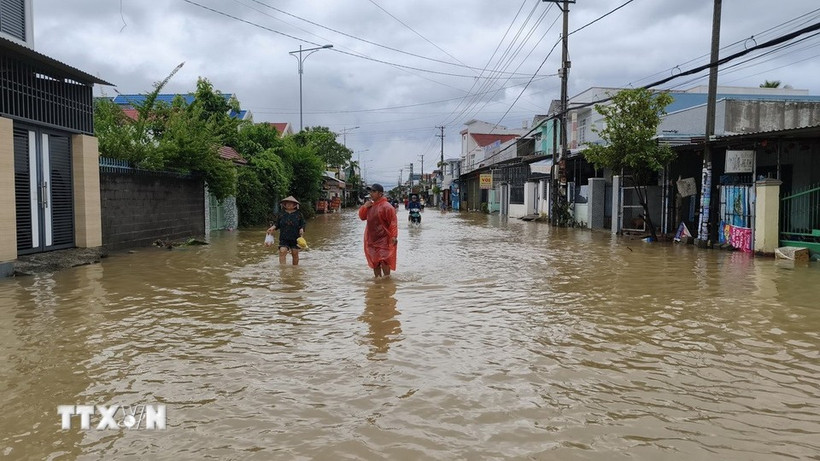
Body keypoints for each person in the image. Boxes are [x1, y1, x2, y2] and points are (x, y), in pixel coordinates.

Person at [358, 183, 398, 278]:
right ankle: (378, 283)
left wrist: (394, 236)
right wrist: (364, 207)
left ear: (380, 193)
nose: (371, 193)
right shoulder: (370, 206)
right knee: (375, 262)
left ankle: (387, 282)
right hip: (371, 240)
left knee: (384, 261)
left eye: (374, 191)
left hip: (384, 239)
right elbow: (362, 217)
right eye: (370, 191)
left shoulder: (387, 207)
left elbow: (393, 223)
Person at [267, 196, 306, 265]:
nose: (288, 204)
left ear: (295, 205)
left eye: (290, 203)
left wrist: (302, 229)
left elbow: (302, 224)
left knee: (295, 253)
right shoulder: (281, 214)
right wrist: (272, 228)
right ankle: (282, 269)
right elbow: (277, 224)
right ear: (284, 204)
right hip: (284, 237)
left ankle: (295, 269)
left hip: (295, 237)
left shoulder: (299, 214)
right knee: (282, 251)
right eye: (287, 203)